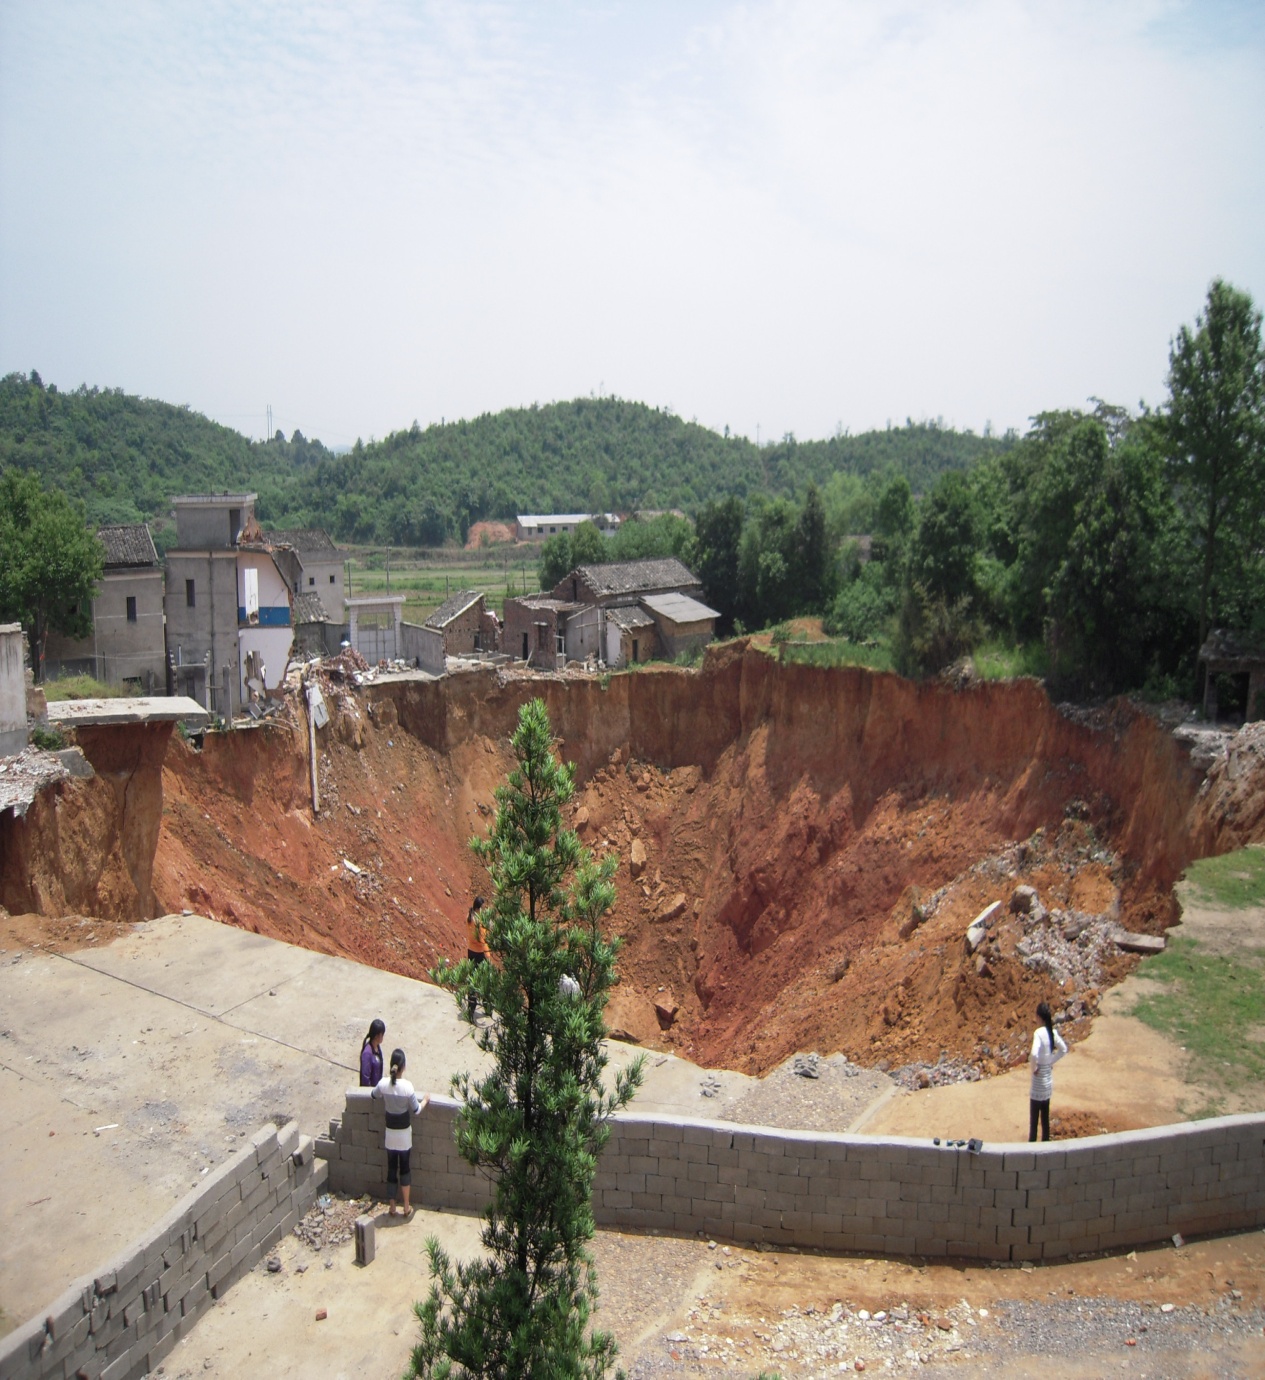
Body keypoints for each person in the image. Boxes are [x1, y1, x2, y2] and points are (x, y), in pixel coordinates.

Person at [372, 1047, 427, 1218]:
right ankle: (406, 1206)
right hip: (404, 1135)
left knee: (391, 1169)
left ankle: (392, 1207)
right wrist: (425, 1100)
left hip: (390, 1134)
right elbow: (417, 1110)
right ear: (403, 1067)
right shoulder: (407, 1087)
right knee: (404, 1168)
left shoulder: (383, 1084)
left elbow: (374, 1095)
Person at [1028, 1001, 1068, 1142]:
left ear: (1040, 1017)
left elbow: (1033, 1054)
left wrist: (1034, 1068)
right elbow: (1063, 1049)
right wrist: (1050, 1061)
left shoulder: (1038, 1033)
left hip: (1038, 1084)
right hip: (1048, 1084)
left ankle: (1031, 1151)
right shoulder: (1053, 1033)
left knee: (1034, 1125)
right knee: (1045, 1122)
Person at [466, 896, 487, 1021]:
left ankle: (471, 1009)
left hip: (471, 951)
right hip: (479, 952)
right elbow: (481, 939)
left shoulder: (468, 918)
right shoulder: (478, 922)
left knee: (472, 980)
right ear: (478, 908)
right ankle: (487, 1006)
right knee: (484, 979)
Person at [359, 1018, 385, 1087]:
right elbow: (365, 1078)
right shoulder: (367, 1053)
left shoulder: (377, 1047)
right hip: (370, 1093)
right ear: (377, 1036)